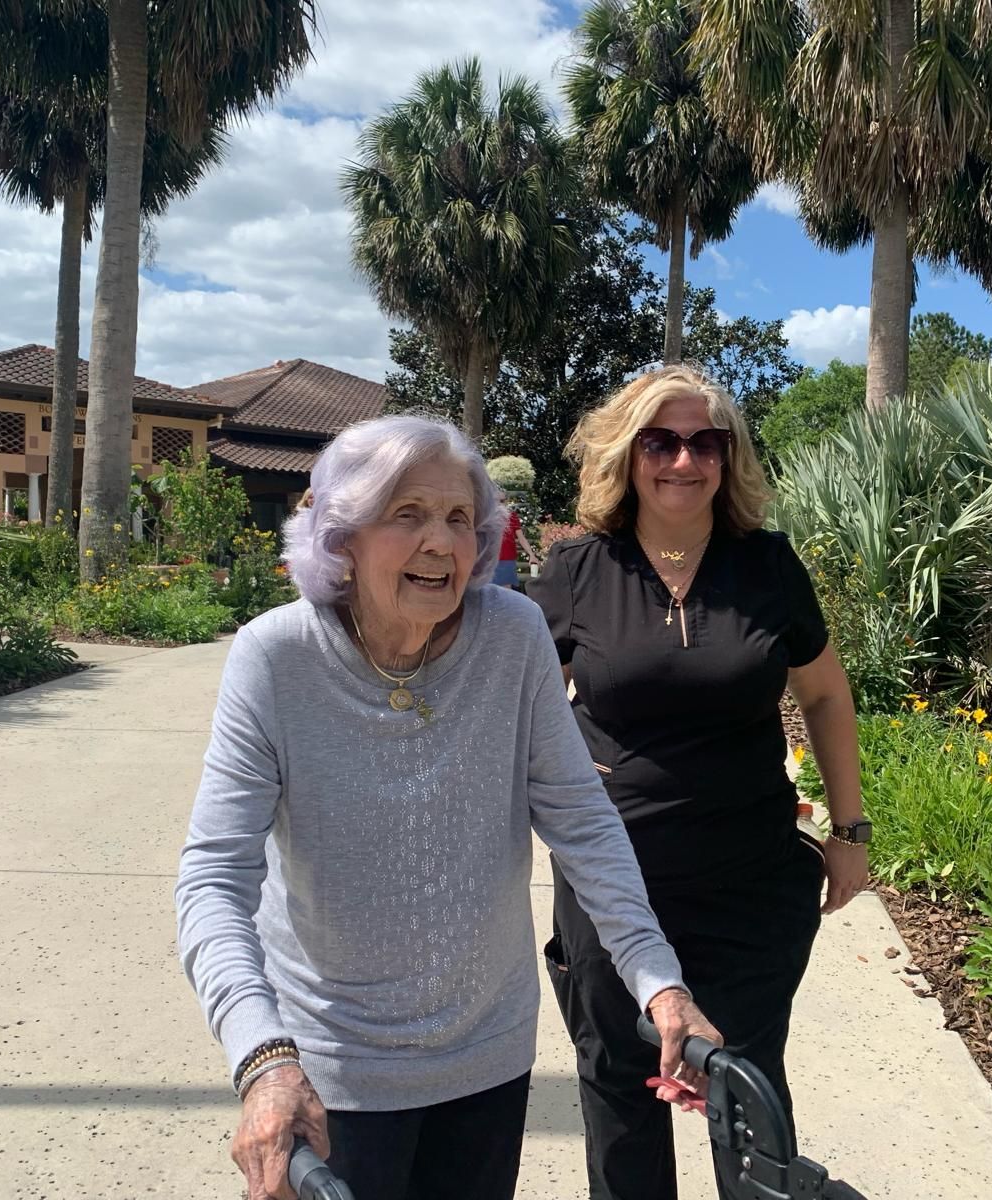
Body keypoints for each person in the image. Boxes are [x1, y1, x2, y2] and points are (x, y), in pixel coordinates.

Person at [174, 413, 720, 1200]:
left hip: (487, 1055)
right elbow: (213, 881)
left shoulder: (513, 634)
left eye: (461, 519)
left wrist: (660, 984)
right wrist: (263, 1058)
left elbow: (581, 821)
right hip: (331, 1070)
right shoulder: (276, 657)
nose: (442, 542)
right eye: (407, 514)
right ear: (342, 536)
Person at [533, 365, 869, 1200]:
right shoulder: (579, 569)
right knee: (618, 1083)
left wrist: (850, 831)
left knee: (749, 1088)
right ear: (627, 452)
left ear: (729, 457)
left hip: (749, 881)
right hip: (616, 881)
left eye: (704, 443)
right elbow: (517, 707)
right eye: (660, 441)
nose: (683, 461)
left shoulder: (767, 567)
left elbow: (825, 693)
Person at [492, 490, 540, 590]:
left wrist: (531, 555)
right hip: (490, 560)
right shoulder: (486, 517)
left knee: (506, 592)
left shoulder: (511, 516)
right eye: (496, 501)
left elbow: (521, 537)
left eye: (502, 501)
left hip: (507, 560)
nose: (499, 504)